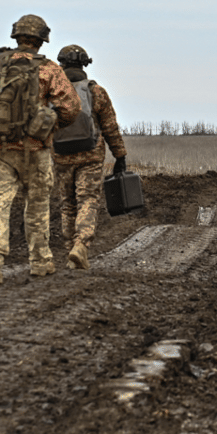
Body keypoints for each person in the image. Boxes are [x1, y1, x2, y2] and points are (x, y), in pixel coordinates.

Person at [0, 14, 80, 284]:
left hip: (0, 149)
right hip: (36, 150)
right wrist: (50, 124)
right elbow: (71, 108)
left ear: (16, 36)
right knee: (37, 206)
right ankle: (40, 261)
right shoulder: (50, 69)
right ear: (42, 40)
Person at [51, 44, 128, 270]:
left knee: (68, 205)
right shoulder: (96, 92)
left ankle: (70, 252)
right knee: (87, 200)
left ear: (61, 64)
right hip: (91, 155)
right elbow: (110, 127)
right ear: (84, 64)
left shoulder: (52, 92)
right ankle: (81, 246)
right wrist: (120, 156)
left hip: (61, 156)